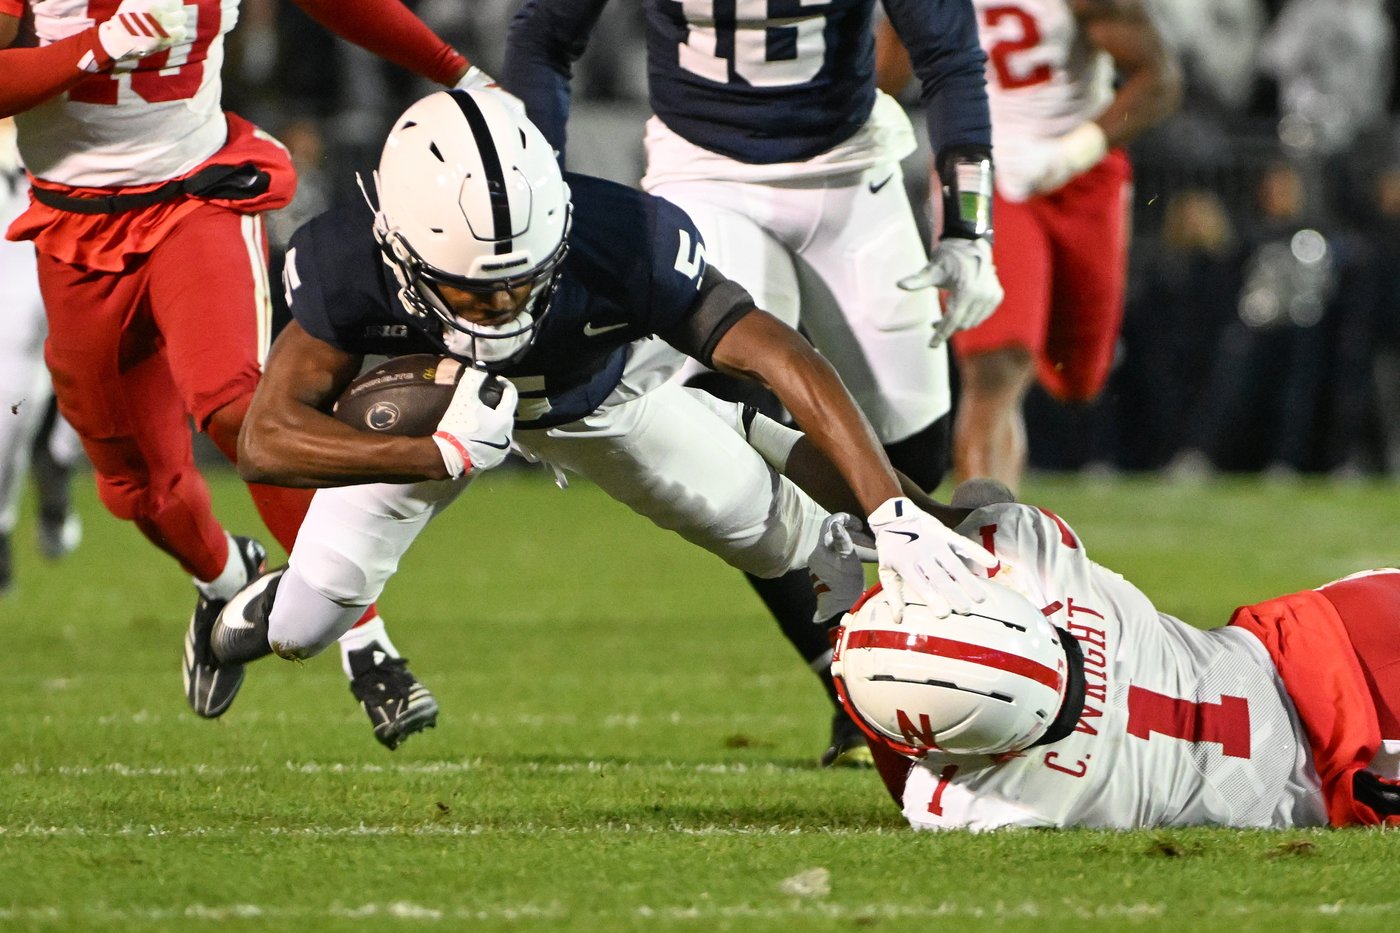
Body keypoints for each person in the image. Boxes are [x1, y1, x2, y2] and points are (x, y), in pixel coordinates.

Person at [202, 90, 999, 725]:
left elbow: (786, 356)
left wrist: (892, 508)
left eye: (524, 281)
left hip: (602, 397)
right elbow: (267, 441)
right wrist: (430, 453)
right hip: (435, 415)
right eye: (476, 291)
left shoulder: (624, 237)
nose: (503, 307)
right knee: (301, 629)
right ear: (403, 248)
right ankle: (251, 601)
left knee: (786, 544)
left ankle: (759, 436)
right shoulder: (349, 260)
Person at [502, 0, 1004, 767]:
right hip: (706, 172)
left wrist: (971, 229)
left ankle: (912, 647)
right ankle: (848, 677)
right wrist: (539, 200)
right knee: (734, 419)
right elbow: (543, 37)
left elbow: (950, 53)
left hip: (849, 166)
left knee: (911, 441)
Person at [0, 0, 506, 749]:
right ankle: (223, 575)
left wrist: (459, 73)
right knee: (136, 486)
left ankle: (367, 644)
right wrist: (102, 44)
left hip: (194, 196)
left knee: (240, 409)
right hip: (73, 228)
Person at [827, 486, 1400, 830]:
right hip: (1331, 635)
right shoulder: (1046, 567)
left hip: (1330, 775)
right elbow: (981, 496)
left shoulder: (991, 803)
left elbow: (913, 759)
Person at [877, 0, 1181, 493]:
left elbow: (1159, 80)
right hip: (979, 169)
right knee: (995, 367)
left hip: (1080, 173)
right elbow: (881, 78)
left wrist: (1071, 152)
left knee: (1079, 378)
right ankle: (988, 546)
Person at [0, 115, 82, 595]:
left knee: (95, 363)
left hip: (67, 244)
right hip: (12, 265)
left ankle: (59, 456)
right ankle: (5, 523)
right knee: (11, 398)